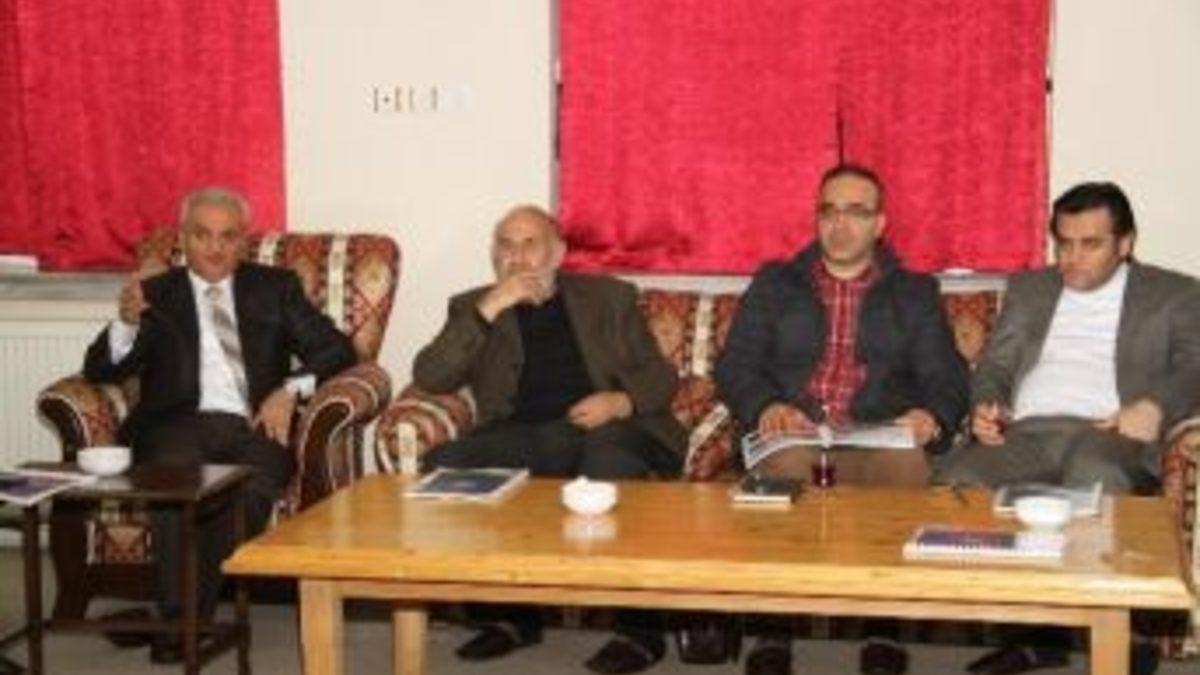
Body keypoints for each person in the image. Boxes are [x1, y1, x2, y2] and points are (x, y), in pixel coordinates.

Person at [83, 187, 356, 664]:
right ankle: (189, 623)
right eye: (202, 235)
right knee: (176, 488)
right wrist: (125, 324)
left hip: (255, 425)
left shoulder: (275, 287)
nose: (214, 248)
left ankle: (176, 621)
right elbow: (100, 370)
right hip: (176, 425)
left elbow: (337, 349)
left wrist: (290, 389)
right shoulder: (156, 294)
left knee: (250, 491)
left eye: (228, 237)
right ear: (183, 238)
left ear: (244, 241)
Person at [715, 164, 970, 675]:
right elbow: (736, 364)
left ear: (880, 224)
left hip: (876, 435)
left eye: (856, 212)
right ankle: (773, 630)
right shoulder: (776, 283)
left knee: (906, 466)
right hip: (796, 430)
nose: (840, 224)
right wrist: (766, 405)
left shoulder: (914, 292)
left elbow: (947, 375)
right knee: (787, 464)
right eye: (829, 211)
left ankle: (883, 628)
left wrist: (930, 415)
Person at [938, 181, 1200, 675]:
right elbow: (996, 365)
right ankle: (1034, 634)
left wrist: (1155, 406)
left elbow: (1196, 364)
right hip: (1028, 432)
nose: (1072, 259)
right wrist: (987, 406)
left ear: (1125, 243)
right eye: (1063, 244)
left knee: (1093, 474)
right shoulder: (1030, 288)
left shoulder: (1174, 293)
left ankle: (1116, 636)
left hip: (1108, 432)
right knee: (959, 480)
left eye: (1090, 244)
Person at [413, 204, 686, 675]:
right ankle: (511, 618)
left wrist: (621, 401)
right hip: (523, 434)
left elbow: (660, 375)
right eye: (506, 245)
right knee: (445, 463)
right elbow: (431, 375)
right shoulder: (472, 307)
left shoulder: (609, 297)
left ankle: (639, 630)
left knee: (607, 462)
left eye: (530, 244)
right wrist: (489, 308)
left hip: (607, 429)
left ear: (557, 253)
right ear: (493, 255)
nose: (517, 257)